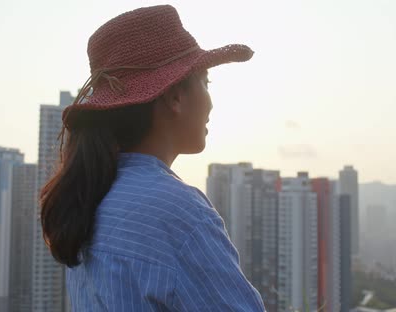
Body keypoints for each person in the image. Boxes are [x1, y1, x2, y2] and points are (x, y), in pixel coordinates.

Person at [40, 4, 265, 312]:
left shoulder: (89, 199)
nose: (211, 102)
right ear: (174, 96)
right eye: (206, 83)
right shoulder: (178, 212)